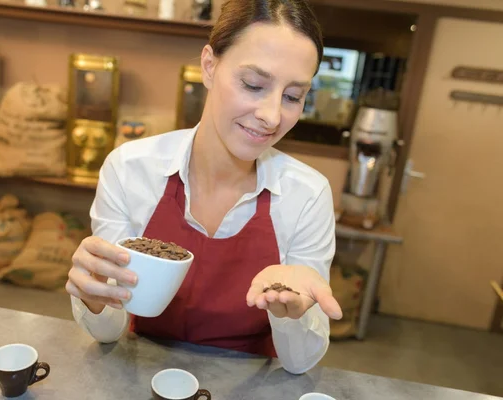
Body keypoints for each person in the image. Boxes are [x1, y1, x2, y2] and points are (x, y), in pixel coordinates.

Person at [66, 0, 343, 375]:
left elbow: (300, 363)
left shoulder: (306, 196)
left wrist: (292, 314)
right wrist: (95, 297)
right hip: (144, 374)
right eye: (254, 84)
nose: (272, 115)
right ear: (210, 66)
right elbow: (110, 332)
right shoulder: (130, 169)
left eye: (293, 96)